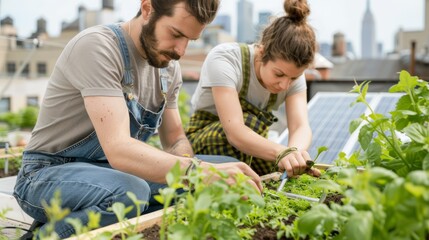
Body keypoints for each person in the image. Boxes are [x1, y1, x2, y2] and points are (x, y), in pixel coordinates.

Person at [13, 0, 262, 238]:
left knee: (224, 165)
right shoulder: (98, 46)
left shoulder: (168, 69)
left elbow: (175, 140)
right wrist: (197, 173)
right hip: (46, 174)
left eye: (190, 39)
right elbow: (119, 149)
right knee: (131, 192)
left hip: (114, 171)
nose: (180, 51)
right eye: (176, 34)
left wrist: (196, 174)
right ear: (147, 8)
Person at [186, 0, 321, 178]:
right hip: (206, 143)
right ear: (262, 52)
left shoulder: (291, 75)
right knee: (250, 124)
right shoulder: (226, 59)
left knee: (281, 173)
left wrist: (294, 155)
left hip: (252, 148)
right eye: (279, 74)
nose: (285, 85)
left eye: (293, 78)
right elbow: (235, 131)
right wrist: (281, 153)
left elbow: (300, 127)